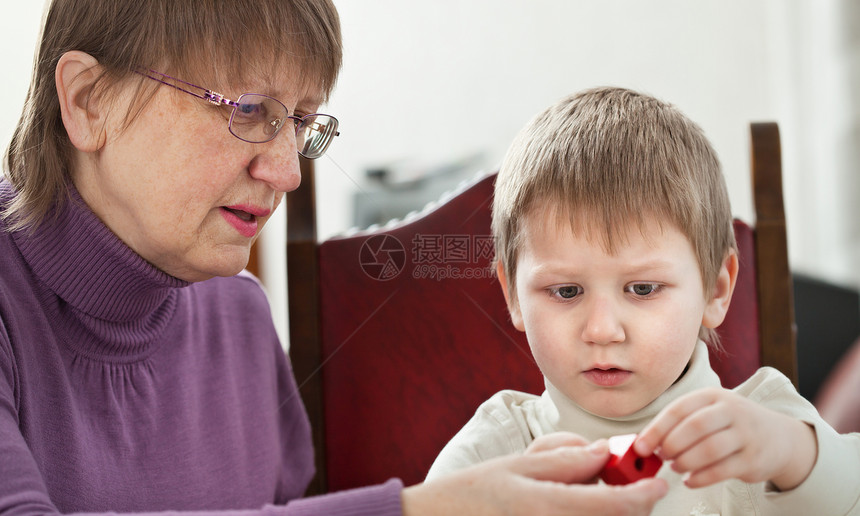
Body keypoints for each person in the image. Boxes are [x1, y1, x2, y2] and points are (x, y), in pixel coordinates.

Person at [0, 1, 668, 515]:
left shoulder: (238, 316)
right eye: (251, 109)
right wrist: (429, 508)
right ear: (88, 101)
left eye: (299, 122)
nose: (287, 171)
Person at [425, 87, 860, 515]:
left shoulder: (764, 422)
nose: (602, 330)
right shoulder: (495, 449)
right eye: (566, 291)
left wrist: (793, 453)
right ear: (512, 296)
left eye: (643, 289)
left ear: (716, 290)